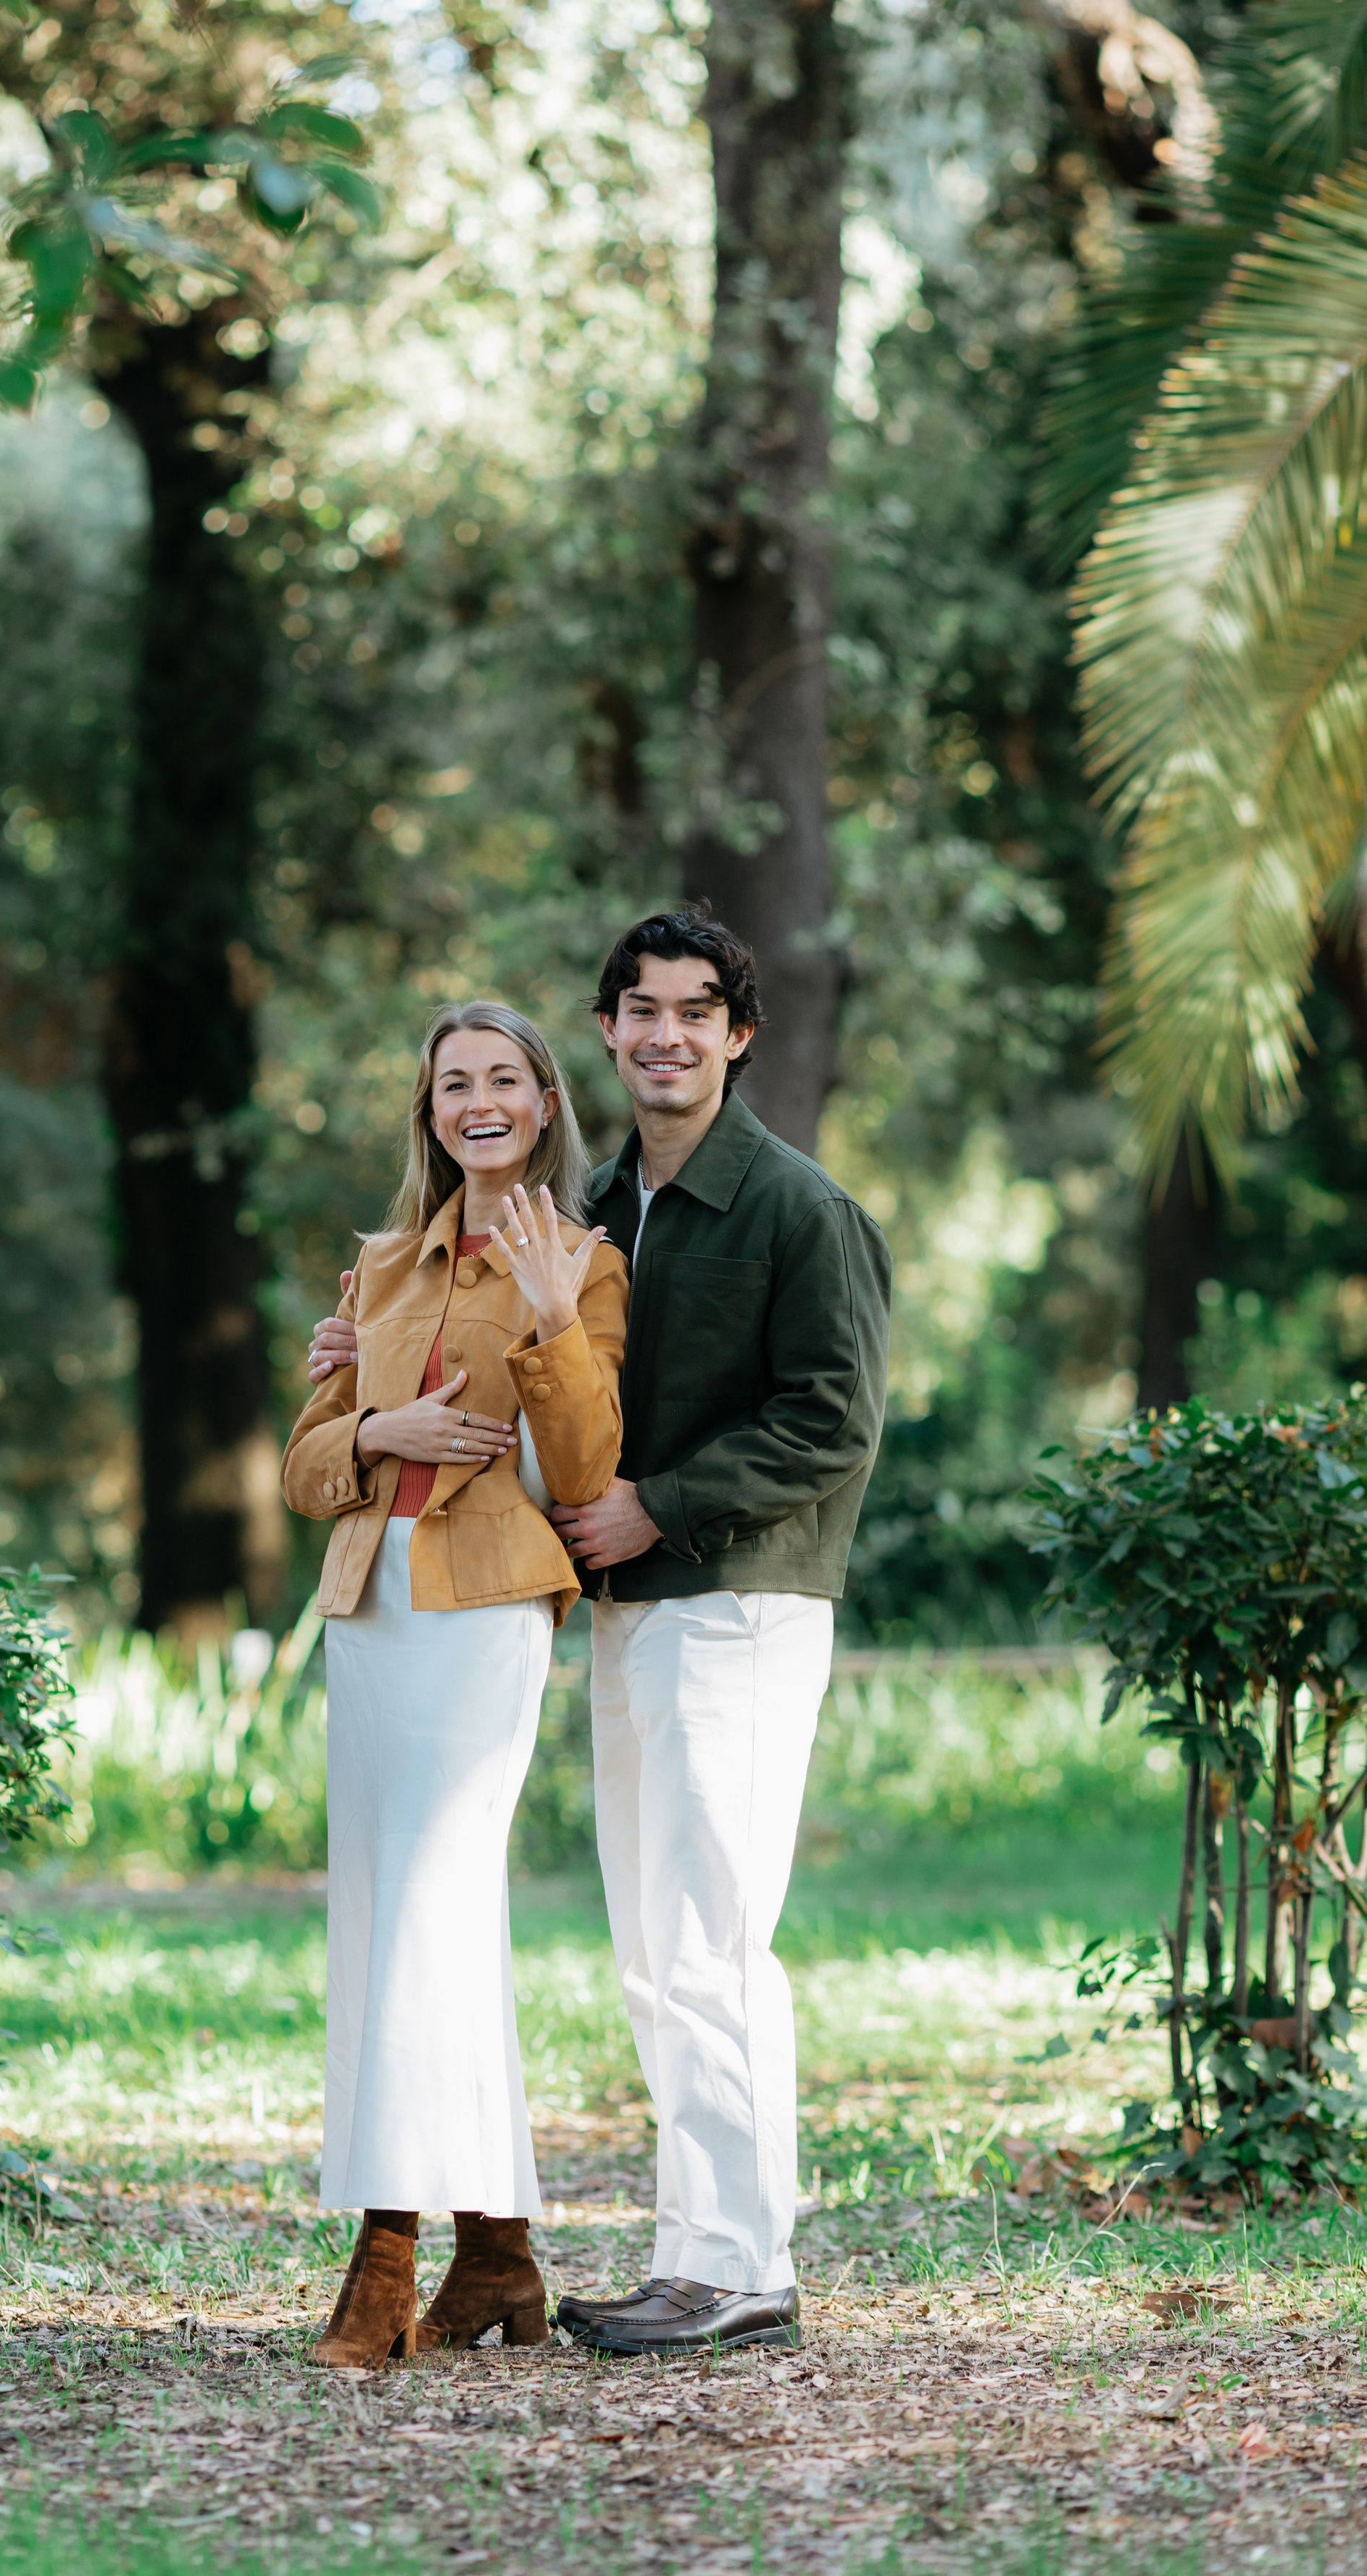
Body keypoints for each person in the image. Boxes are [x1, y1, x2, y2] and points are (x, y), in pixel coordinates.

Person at [309, 911, 891, 2357]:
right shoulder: (606, 1204)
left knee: (710, 1941)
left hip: (739, 1594)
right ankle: (694, 2257)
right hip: (628, 1602)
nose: (665, 1035)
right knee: (655, 1951)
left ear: (737, 1034)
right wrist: (368, 1365)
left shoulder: (796, 1207)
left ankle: (741, 2267)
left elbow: (834, 1422)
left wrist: (657, 1505)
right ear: (611, 1033)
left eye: (696, 1012)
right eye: (641, 1010)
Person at [283, 999, 628, 2373]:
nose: (477, 1103)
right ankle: (499, 2255)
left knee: (427, 1909)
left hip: (486, 1612)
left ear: (543, 1103)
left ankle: (385, 2255)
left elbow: (588, 1472)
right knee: (397, 1922)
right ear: (430, 1114)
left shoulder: (587, 1264)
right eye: (452, 1085)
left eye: (503, 1080)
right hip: (370, 1610)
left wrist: (548, 1321)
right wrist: (386, 1424)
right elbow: (306, 1469)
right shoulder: (379, 1269)